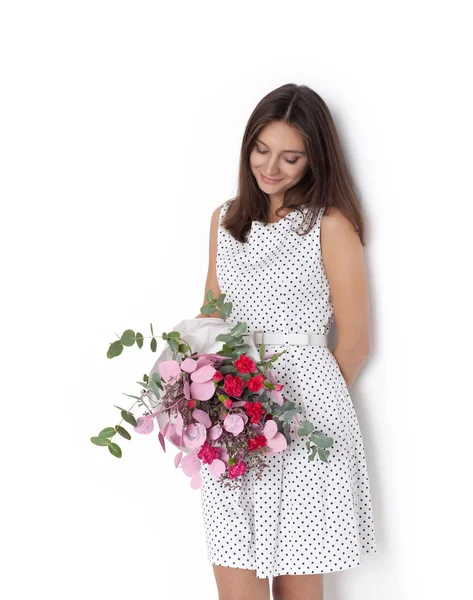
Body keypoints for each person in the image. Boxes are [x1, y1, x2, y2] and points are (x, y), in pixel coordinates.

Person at [195, 83, 377, 600]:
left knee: (299, 585)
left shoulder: (329, 224)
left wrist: (295, 409)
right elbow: (212, 316)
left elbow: (355, 342)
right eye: (261, 149)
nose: (271, 167)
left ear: (314, 159)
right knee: (236, 578)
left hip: (306, 423)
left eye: (290, 156)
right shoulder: (225, 220)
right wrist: (206, 394)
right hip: (231, 416)